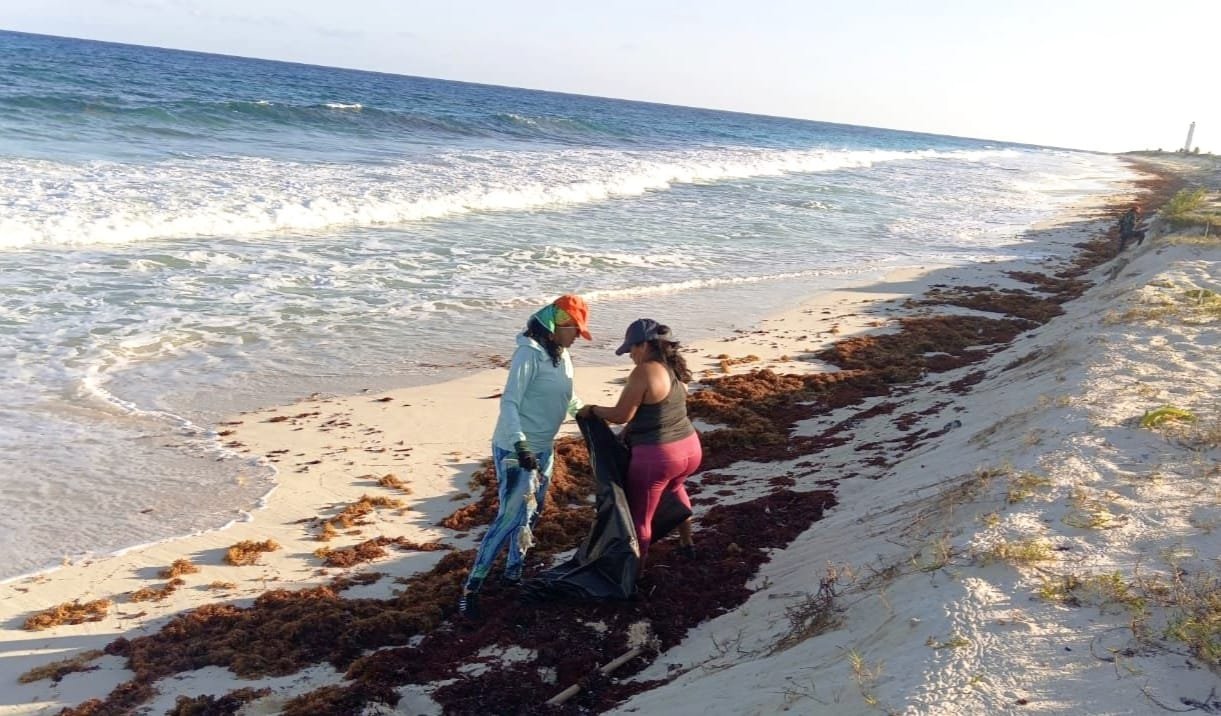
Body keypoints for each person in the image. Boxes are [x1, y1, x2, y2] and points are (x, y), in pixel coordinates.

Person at [458, 294, 591, 619]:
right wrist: (520, 445)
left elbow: (567, 396)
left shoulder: (561, 355)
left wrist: (589, 417)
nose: (578, 335)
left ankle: (513, 574)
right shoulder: (528, 354)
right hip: (516, 450)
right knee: (509, 518)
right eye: (574, 329)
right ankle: (472, 589)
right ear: (556, 326)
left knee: (532, 513)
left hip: (543, 448)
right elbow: (510, 403)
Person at [579, 318, 701, 567]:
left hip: (660, 457)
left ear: (644, 345)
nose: (630, 355)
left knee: (640, 518)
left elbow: (620, 415)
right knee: (675, 489)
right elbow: (657, 410)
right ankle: (687, 543)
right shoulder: (674, 368)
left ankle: (635, 572)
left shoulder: (644, 371)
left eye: (631, 349)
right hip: (690, 448)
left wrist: (591, 410)